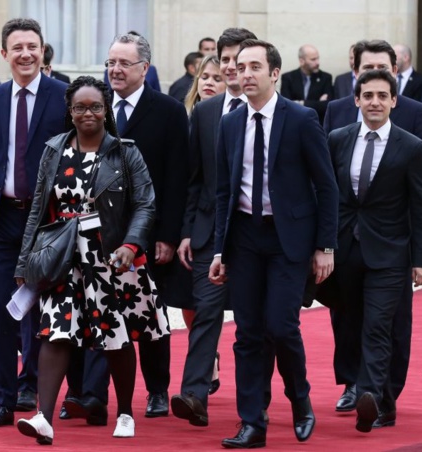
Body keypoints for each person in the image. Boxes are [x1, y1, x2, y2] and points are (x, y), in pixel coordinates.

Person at [15, 75, 169, 444]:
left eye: (96, 107)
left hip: (110, 257)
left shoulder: (125, 151)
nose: (88, 113)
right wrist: (25, 263)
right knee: (55, 330)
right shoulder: (54, 149)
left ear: (106, 111)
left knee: (115, 336)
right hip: (63, 256)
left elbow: (146, 203)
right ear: (69, 112)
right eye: (80, 107)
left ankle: (127, 412)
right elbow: (38, 208)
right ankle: (43, 418)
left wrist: (131, 245)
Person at [210, 39, 338, 448]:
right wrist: (219, 250)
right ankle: (252, 422)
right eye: (239, 67)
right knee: (247, 332)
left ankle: (300, 400)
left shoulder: (301, 119)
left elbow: (326, 186)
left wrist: (326, 246)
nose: (244, 73)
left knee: (281, 326)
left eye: (253, 67)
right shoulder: (230, 123)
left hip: (290, 239)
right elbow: (222, 193)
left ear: (274, 73)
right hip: (245, 237)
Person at [64, 32, 189, 423]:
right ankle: (92, 395)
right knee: (95, 312)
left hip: (146, 232)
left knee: (148, 316)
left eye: (124, 63)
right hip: (94, 233)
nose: (115, 70)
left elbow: (176, 178)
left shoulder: (168, 111)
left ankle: (156, 390)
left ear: (144, 69)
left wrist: (167, 235)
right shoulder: (92, 105)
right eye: (111, 63)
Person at [323, 39, 422, 425]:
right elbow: (327, 194)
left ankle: (370, 394)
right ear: (356, 100)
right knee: (350, 321)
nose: (374, 101)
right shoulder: (338, 140)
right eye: (367, 95)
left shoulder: (412, 146)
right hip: (345, 249)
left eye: (382, 96)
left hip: (391, 251)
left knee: (378, 324)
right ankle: (366, 392)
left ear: (393, 102)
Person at [0, 18, 68, 427]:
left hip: (48, 224)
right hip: (2, 223)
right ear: (4, 54)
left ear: (43, 50)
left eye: (33, 46)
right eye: (17, 47)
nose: (26, 54)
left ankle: (34, 384)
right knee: (1, 311)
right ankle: (2, 398)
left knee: (43, 309)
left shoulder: (64, 96)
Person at [171, 27, 256, 428]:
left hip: (259, 233)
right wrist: (187, 230)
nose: (230, 65)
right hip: (208, 231)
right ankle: (195, 395)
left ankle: (256, 403)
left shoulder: (277, 111)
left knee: (257, 322)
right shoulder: (205, 112)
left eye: (238, 58)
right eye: (225, 58)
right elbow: (195, 178)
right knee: (205, 311)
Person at [279, 44, 333, 123]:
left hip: (316, 123)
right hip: (294, 123)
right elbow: (286, 105)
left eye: (318, 58)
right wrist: (317, 103)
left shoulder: (325, 78)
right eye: (313, 59)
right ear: (302, 61)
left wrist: (301, 103)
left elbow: (326, 106)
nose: (317, 62)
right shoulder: (288, 78)